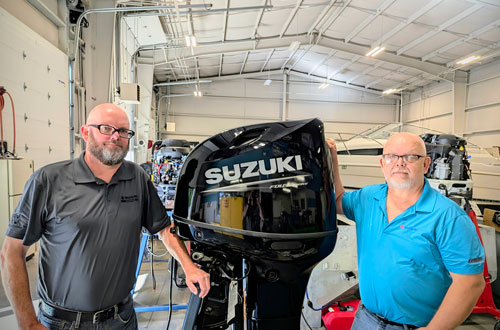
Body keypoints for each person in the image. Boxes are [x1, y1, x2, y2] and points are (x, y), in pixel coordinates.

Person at [0, 103, 210, 330]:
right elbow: (11, 253)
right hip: (63, 323)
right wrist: (28, 323)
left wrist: (188, 266)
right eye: (106, 128)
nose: (116, 136)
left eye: (123, 131)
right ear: (85, 132)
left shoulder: (137, 177)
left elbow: (162, 228)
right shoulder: (48, 180)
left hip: (122, 318)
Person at [327, 132, 485, 330]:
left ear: (426, 164)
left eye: (410, 157)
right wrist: (331, 159)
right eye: (391, 156)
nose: (399, 163)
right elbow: (339, 201)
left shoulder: (448, 217)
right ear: (382, 163)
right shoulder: (368, 198)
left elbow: (470, 284)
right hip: (365, 319)